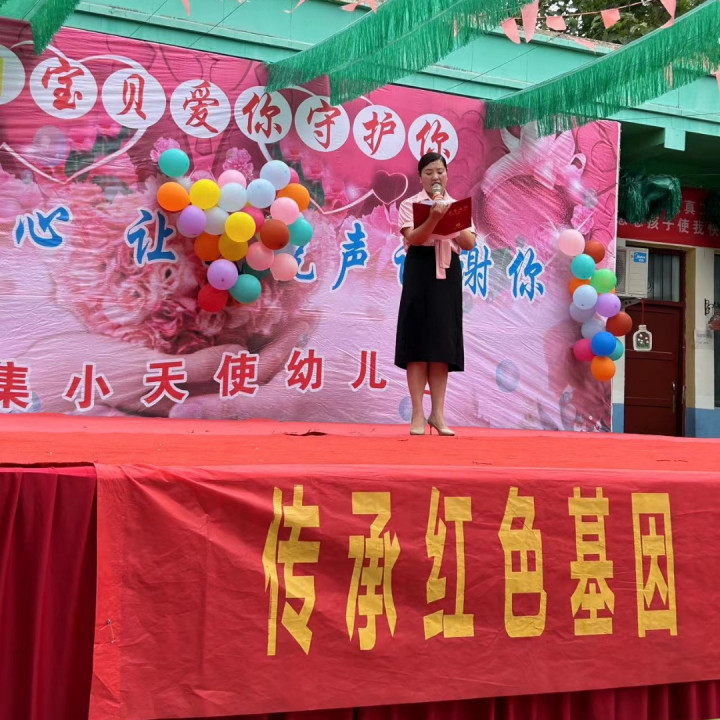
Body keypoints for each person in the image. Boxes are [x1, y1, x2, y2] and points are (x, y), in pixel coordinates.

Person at [395, 152, 476, 436]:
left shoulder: (457, 206)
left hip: (448, 271)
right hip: (420, 269)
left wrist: (450, 219)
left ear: (447, 175)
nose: (435, 177)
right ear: (420, 178)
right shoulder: (409, 204)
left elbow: (469, 243)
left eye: (440, 171)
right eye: (429, 172)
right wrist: (433, 218)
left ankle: (437, 414)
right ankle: (417, 414)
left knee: (442, 345)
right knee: (418, 343)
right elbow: (414, 238)